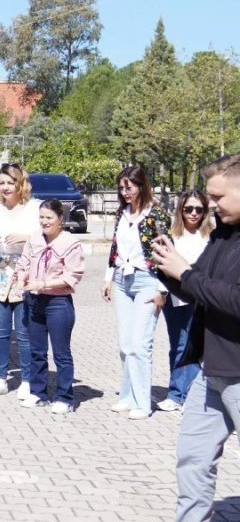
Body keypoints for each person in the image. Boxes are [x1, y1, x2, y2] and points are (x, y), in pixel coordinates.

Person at [151, 155, 240, 521]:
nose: (210, 206)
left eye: (218, 197)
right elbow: (196, 285)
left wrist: (186, 275)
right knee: (193, 460)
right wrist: (165, 267)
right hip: (212, 370)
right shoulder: (222, 232)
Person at [102, 165, 172, 420]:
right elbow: (115, 247)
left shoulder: (157, 215)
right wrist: (108, 278)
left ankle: (143, 403)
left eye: (128, 187)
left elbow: (167, 252)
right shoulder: (123, 212)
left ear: (141, 185)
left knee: (140, 345)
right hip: (122, 279)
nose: (125, 192)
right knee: (125, 344)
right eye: (121, 188)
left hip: (147, 281)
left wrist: (163, 290)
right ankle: (127, 395)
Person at [0, 164, 42, 400]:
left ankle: (26, 380)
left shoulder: (33, 208)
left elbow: (44, 239)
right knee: (0, 332)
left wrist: (26, 238)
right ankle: (1, 379)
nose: (5, 187)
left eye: (10, 182)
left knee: (23, 333)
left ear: (20, 183)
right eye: (2, 182)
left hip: (24, 276)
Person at [16, 199, 86, 414]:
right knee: (37, 351)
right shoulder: (34, 238)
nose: (44, 222)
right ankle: (39, 393)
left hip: (58, 303)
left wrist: (44, 284)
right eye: (42, 217)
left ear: (60, 219)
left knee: (61, 353)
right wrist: (21, 279)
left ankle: (65, 397)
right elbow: (24, 262)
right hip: (34, 300)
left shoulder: (71, 243)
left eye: (49, 218)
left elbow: (72, 276)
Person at [159, 189, 211, 412]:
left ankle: (185, 393)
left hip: (202, 296)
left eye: (199, 209)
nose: (193, 214)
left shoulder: (212, 235)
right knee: (179, 345)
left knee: (193, 345)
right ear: (181, 209)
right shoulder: (172, 235)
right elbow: (161, 266)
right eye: (188, 209)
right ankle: (178, 393)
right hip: (176, 296)